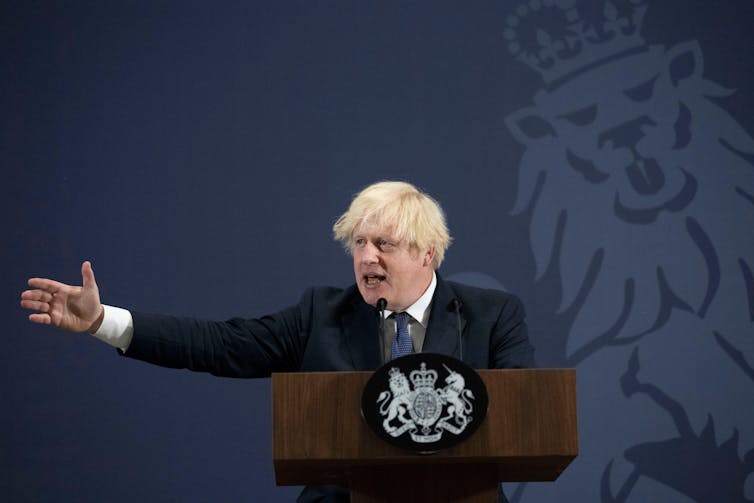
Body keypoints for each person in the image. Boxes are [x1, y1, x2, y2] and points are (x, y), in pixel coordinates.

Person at [21, 180, 535, 502]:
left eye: (384, 245)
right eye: (358, 243)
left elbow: (519, 415)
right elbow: (221, 344)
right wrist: (100, 321)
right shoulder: (321, 314)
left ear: (428, 254)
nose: (366, 258)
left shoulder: (491, 316)